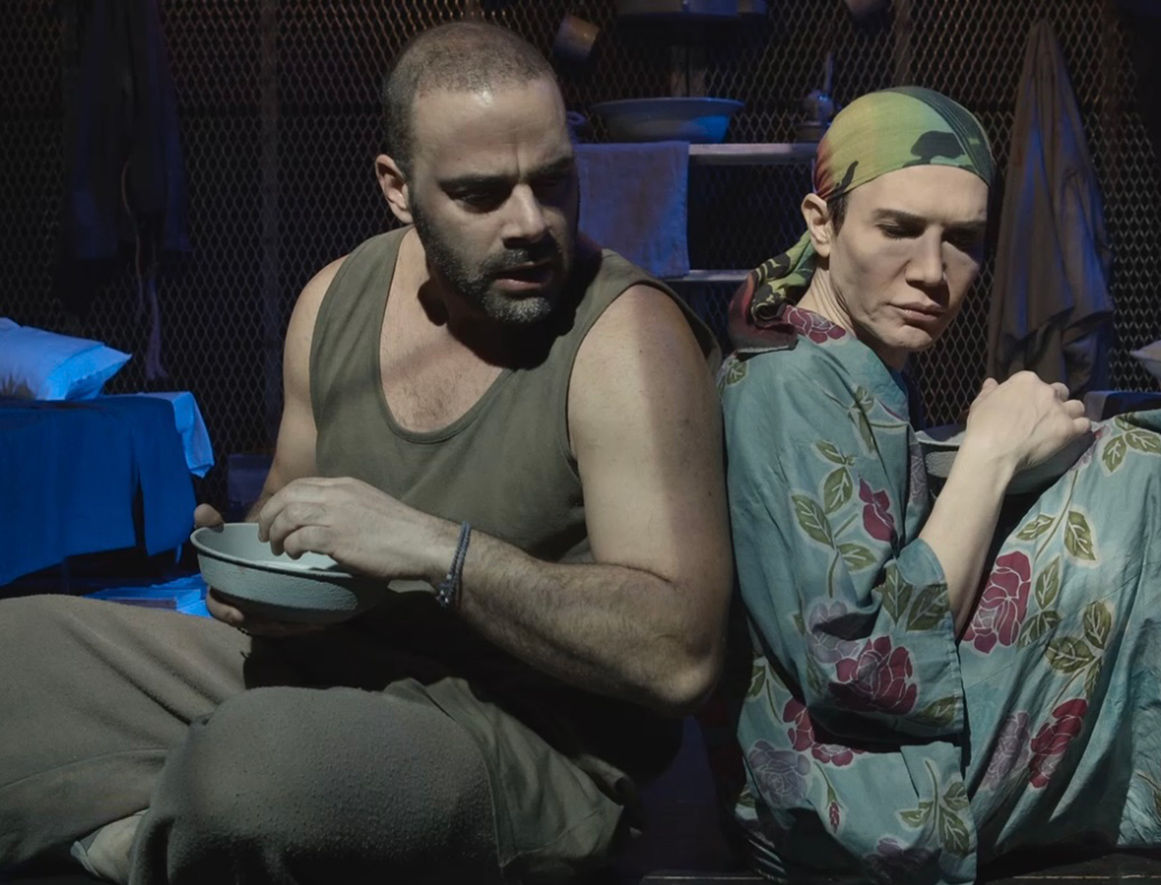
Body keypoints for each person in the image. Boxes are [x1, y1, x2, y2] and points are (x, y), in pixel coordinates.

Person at [0, 21, 732, 885]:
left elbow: (680, 656)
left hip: (526, 742)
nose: (532, 223)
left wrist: (437, 551)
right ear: (397, 188)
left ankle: (134, 840)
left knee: (252, 770)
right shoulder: (334, 300)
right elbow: (291, 525)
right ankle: (162, 832)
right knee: (19, 656)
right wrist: (249, 569)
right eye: (480, 193)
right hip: (326, 679)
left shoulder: (626, 340)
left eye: (554, 181)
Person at [705, 86, 1161, 884]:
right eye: (898, 228)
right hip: (860, 806)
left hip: (858, 778)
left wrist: (1009, 464)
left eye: (962, 240)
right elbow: (864, 670)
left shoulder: (839, 356)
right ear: (822, 223)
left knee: (1137, 465)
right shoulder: (790, 383)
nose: (931, 272)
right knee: (1158, 468)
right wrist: (990, 455)